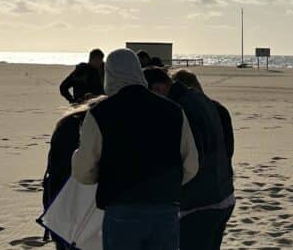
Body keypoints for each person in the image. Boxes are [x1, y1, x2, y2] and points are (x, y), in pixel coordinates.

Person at [72, 49, 199, 250]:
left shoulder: (100, 113)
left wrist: (101, 176)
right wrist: (168, 184)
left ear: (109, 75)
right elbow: (191, 165)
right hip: (164, 208)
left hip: (121, 209)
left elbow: (84, 171)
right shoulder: (173, 110)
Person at [169, 69, 236, 250]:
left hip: (200, 200)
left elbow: (191, 158)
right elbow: (229, 150)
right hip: (224, 193)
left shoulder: (186, 110)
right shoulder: (217, 109)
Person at [41, 95, 106, 249]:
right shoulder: (92, 125)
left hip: (59, 197)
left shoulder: (67, 123)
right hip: (81, 198)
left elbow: (55, 168)